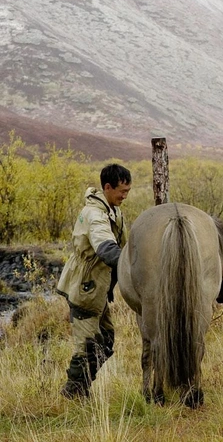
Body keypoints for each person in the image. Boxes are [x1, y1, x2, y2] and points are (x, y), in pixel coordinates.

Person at [56, 163, 132, 399]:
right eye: (122, 191)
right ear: (107, 187)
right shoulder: (95, 214)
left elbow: (123, 244)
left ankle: (80, 388)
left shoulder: (112, 209)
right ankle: (74, 395)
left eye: (128, 191)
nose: (124, 196)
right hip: (86, 287)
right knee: (87, 347)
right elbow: (105, 247)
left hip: (98, 288)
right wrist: (131, 267)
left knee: (105, 340)